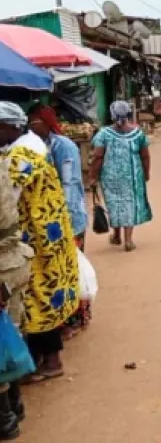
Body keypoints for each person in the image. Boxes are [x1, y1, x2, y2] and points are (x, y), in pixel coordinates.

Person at [0, 102, 79, 385]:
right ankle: (43, 359)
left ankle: (50, 361)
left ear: (9, 127)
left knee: (37, 298)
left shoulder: (19, 155)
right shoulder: (31, 146)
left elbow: (7, 197)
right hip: (49, 232)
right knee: (43, 294)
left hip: (37, 238)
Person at [27, 104, 91, 339]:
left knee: (72, 268)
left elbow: (69, 183)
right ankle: (63, 318)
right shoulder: (41, 146)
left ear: (45, 122)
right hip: (52, 218)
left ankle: (76, 318)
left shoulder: (63, 146)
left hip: (68, 217)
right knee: (58, 270)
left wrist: (62, 217)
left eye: (35, 123)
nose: (32, 128)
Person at [89, 101, 153, 252]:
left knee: (115, 204)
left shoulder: (104, 134)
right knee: (129, 204)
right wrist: (146, 173)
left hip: (110, 178)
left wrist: (93, 176)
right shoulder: (137, 134)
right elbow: (145, 156)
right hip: (133, 176)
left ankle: (117, 235)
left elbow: (97, 156)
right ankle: (128, 241)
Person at [0, 159, 33, 438]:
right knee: (11, 334)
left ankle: (6, 419)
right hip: (13, 262)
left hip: (3, 267)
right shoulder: (3, 163)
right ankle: (15, 406)